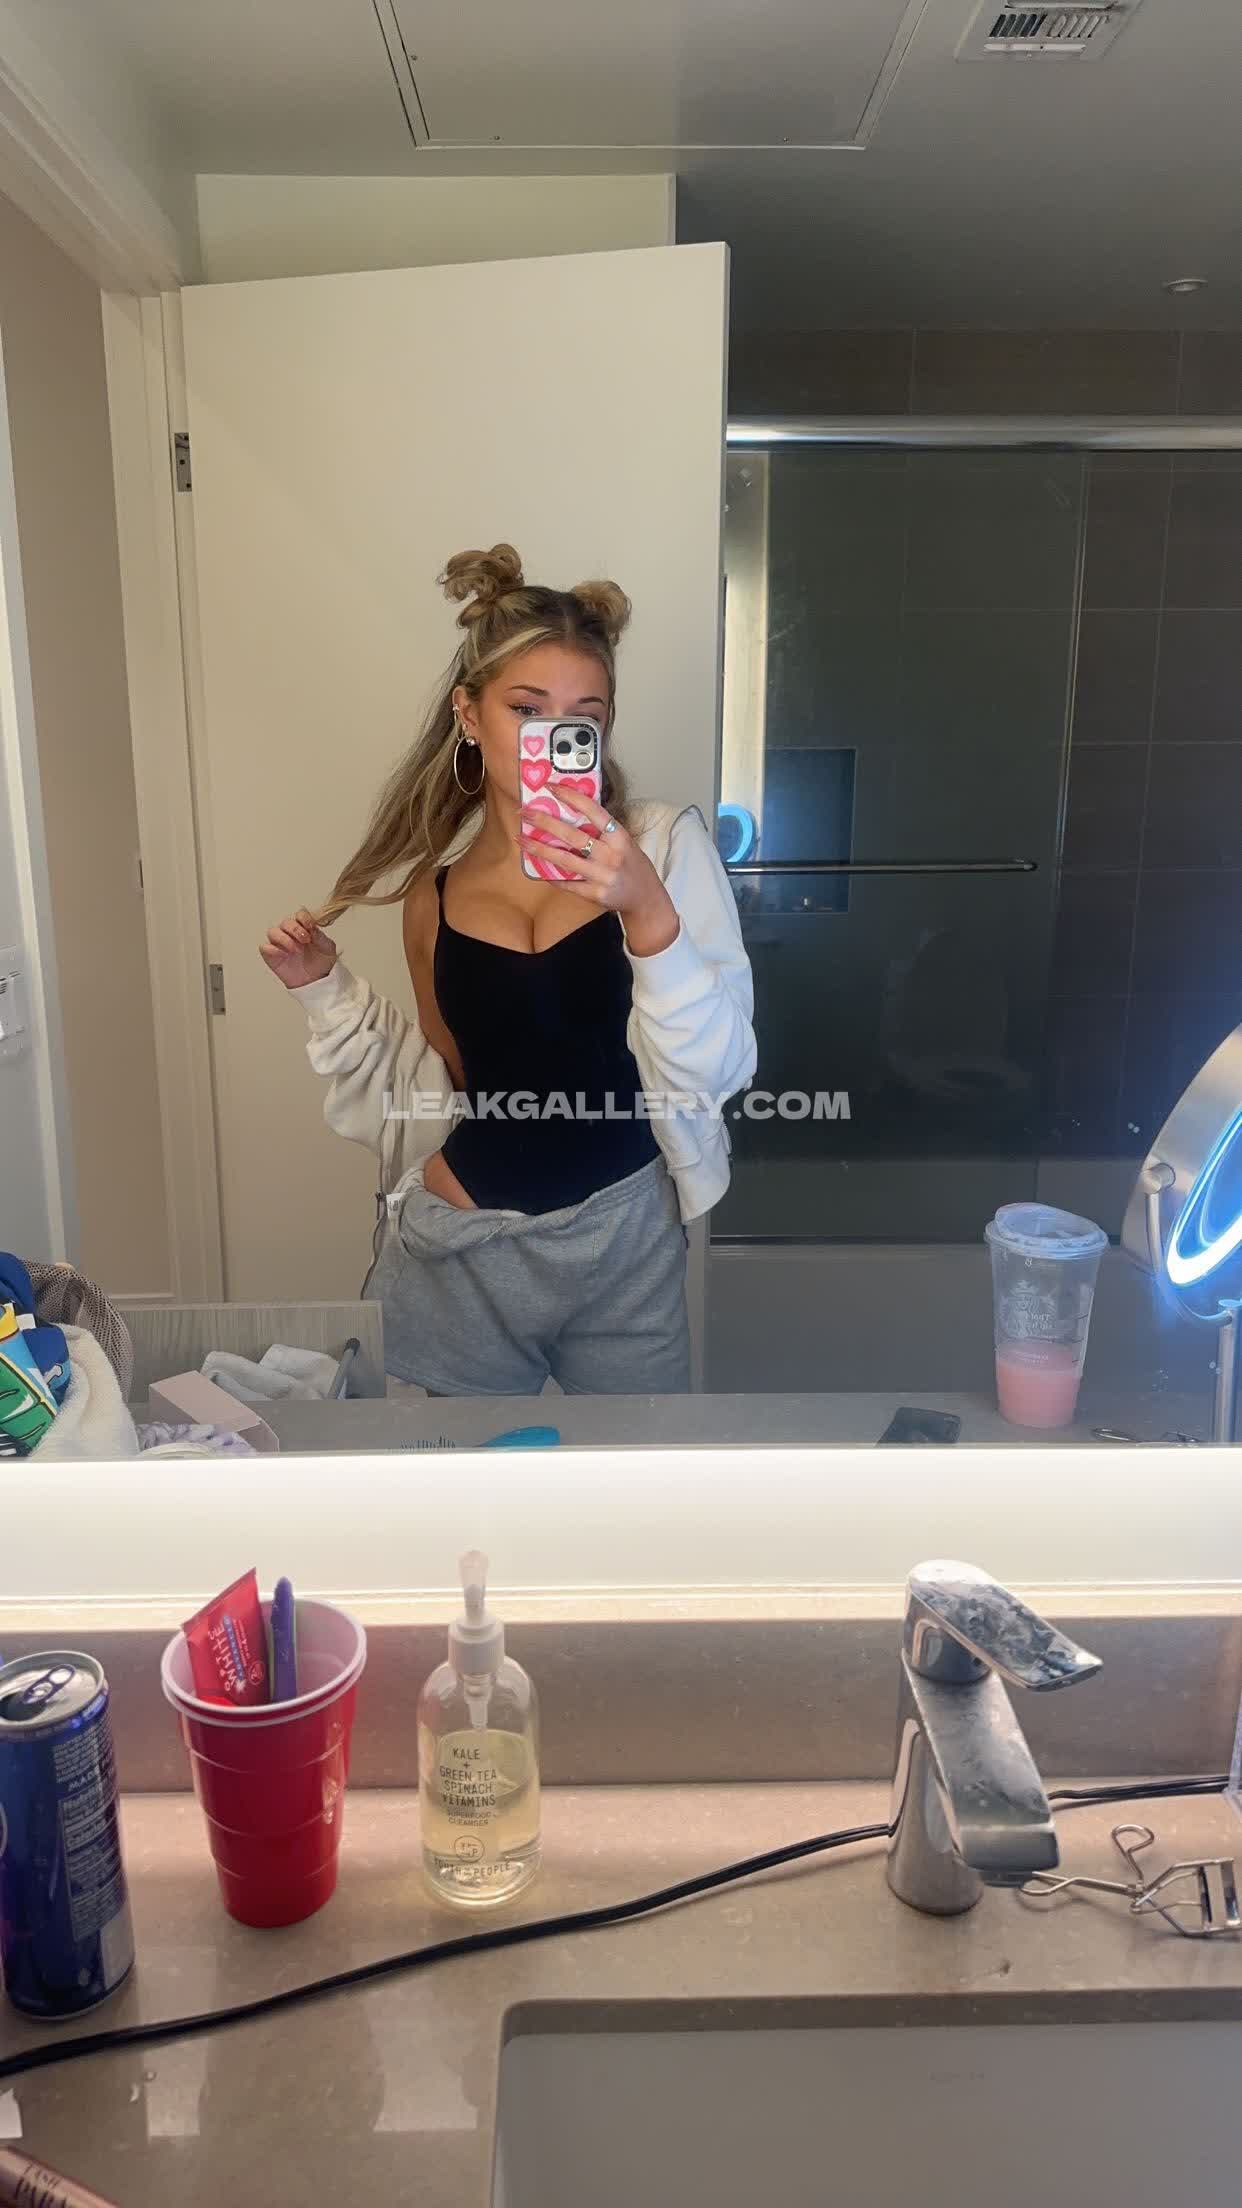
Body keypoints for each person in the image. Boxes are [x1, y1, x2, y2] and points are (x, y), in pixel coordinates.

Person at [260, 543, 755, 1397]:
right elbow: (448, 1084)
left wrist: (647, 911)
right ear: (468, 713)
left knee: (638, 1470)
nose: (554, 737)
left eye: (583, 718)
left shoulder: (664, 849)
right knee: (453, 1479)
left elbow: (719, 1069)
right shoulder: (433, 896)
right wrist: (322, 989)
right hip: (461, 1255)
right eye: (527, 709)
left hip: (626, 1246)